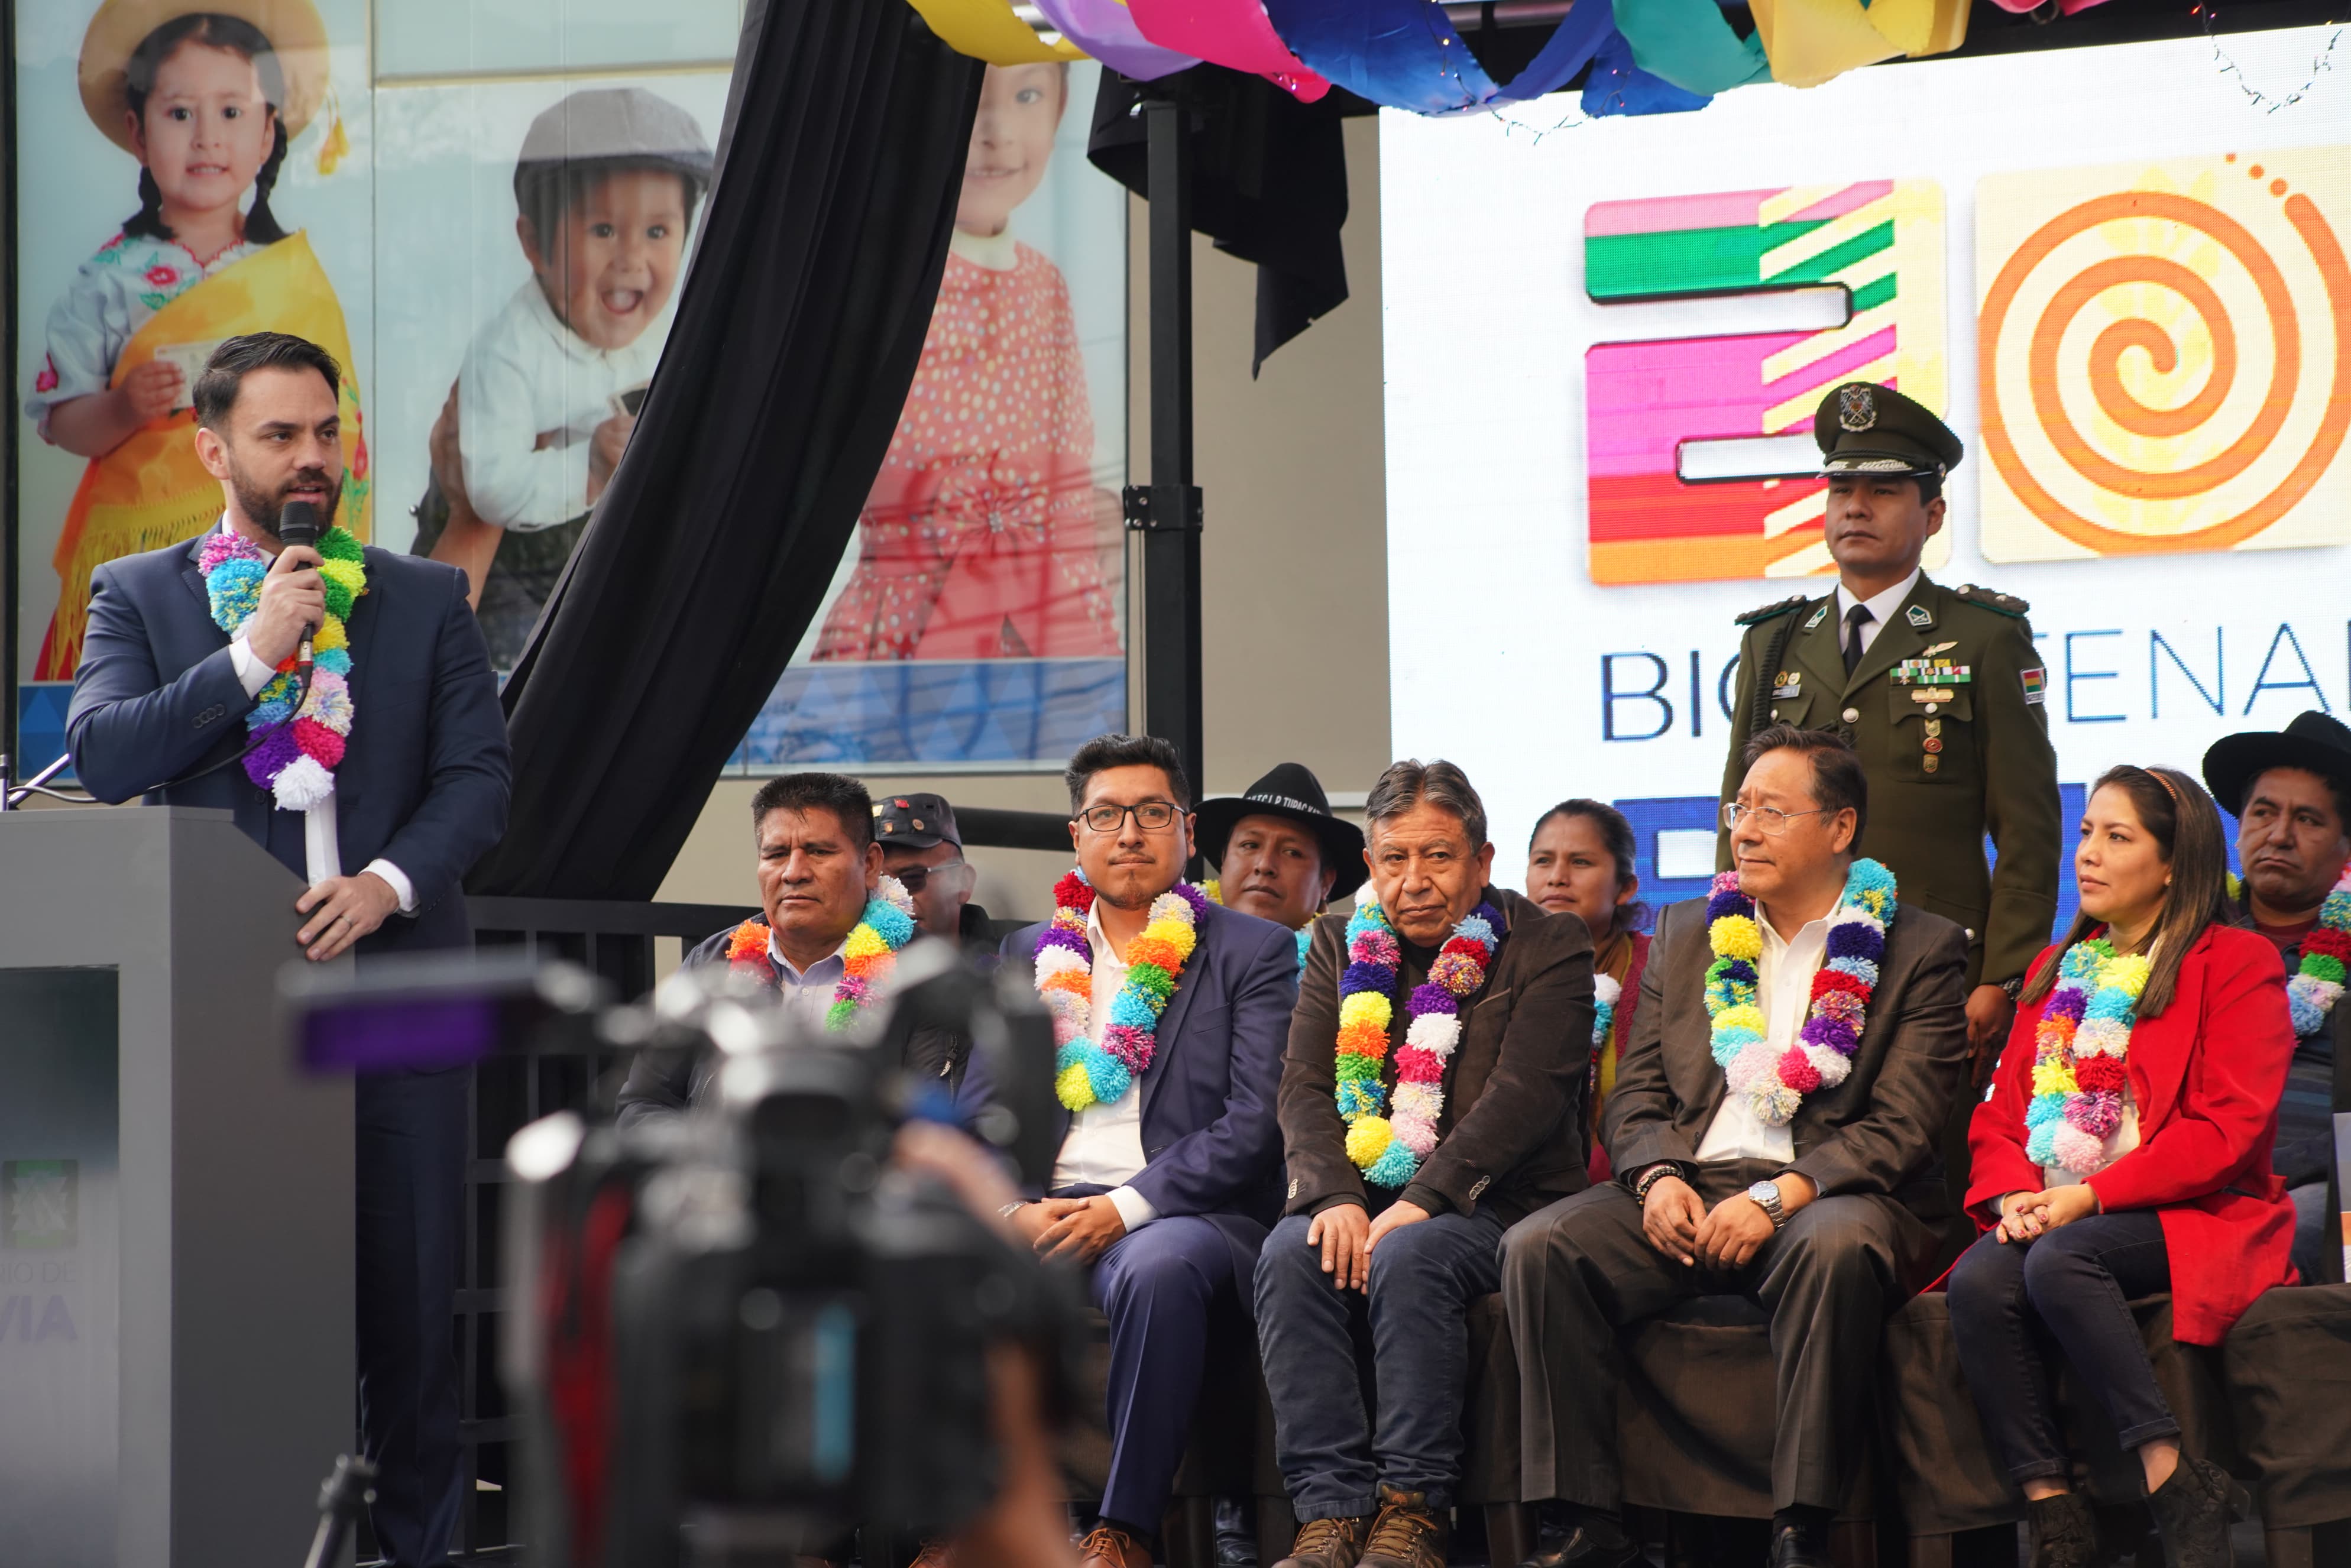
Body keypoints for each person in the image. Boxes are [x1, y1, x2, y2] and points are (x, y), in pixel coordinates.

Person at [66, 331, 509, 1568]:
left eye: (326, 432)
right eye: (279, 436)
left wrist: (385, 883)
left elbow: (479, 782)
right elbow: (105, 756)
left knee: (414, 1326)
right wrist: (253, 652)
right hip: (225, 1010)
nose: (312, 457)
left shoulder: (425, 597)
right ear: (214, 451)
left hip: (404, 999)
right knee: (242, 1310)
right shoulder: (139, 593)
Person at [1504, 725, 1967, 1568]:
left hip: (1828, 1192)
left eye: (1771, 813)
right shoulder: (1689, 931)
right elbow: (1637, 1094)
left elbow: (1903, 1123)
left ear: (1840, 827)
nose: (1744, 831)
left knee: (1833, 1248)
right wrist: (1655, 1178)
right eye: (1739, 809)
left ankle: (1800, 1525)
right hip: (1693, 1177)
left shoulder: (1920, 948)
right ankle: (1585, 1523)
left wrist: (1776, 1199)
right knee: (1541, 1245)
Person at [1717, 380, 2060, 1212]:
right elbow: (1740, 813)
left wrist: (2001, 978)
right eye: (1842, 488)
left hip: (1933, 969)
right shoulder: (1775, 642)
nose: (1855, 507)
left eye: (1883, 490)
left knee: (1924, 1190)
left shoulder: (1983, 637)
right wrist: (1732, 956)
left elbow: (2028, 829)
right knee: (1786, 1176)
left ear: (1933, 515)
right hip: (1791, 966)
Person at [958, 733, 1300, 1568]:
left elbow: (1254, 1122)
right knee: (936, 1262)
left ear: (1187, 831)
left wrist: (1123, 1209)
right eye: (1107, 815)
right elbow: (978, 1115)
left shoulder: (1252, 951)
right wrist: (1009, 1208)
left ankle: (1124, 1530)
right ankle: (960, 1528)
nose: (1131, 834)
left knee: (1156, 1270)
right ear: (1077, 835)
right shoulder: (1026, 955)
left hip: (1187, 1216)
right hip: (1042, 1207)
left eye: (1153, 813)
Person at [1949, 766, 2296, 1568]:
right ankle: (2055, 1513)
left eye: (2117, 837)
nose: (2088, 855)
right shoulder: (2056, 968)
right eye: (2085, 834)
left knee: (2064, 1261)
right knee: (1979, 1281)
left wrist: (2092, 1197)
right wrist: (2013, 1195)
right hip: (2055, 1203)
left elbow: (2228, 1129)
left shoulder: (2234, 962)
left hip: (2188, 1209)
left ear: (2173, 863)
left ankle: (2170, 1476)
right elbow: (1999, 1116)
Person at [1257, 760, 1593, 1568]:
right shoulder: (1338, 942)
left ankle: (1415, 1510)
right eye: (1395, 858)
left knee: (1412, 1252)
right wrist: (1332, 1197)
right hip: (1366, 1193)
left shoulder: (1549, 943)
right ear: (1369, 865)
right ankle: (1329, 1515)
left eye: (1438, 856)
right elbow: (1304, 1086)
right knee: (1289, 1251)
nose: (1414, 880)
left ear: (1482, 860)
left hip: (1501, 1201)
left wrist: (1427, 1197)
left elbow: (1525, 1097)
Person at [28, 0, 367, 679]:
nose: (208, 137)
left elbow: (341, 419)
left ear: (268, 133)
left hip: (276, 540)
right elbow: (63, 421)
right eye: (181, 113)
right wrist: (123, 408)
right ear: (138, 130)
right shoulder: (109, 278)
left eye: (232, 112)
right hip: (146, 548)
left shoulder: (293, 274)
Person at [811, 61, 1121, 662]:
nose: (996, 131)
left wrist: (1093, 506)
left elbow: (1068, 447)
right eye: (968, 98)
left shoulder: (1046, 285)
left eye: (1027, 94)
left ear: (1060, 107)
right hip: (910, 624)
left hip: (1049, 620)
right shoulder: (881, 286)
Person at [412, 85, 713, 668]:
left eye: (657, 232)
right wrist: (591, 468)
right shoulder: (507, 352)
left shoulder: (673, 336)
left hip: (608, 568)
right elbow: (491, 490)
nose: (631, 258)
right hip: (512, 576)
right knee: (528, 667)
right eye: (603, 230)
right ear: (534, 245)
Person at [613, 772, 970, 1123]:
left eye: (819, 851)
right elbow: (642, 1103)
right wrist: (702, 1153)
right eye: (776, 854)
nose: (794, 872)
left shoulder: (924, 974)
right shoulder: (712, 961)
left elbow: (934, 1129)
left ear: (870, 864)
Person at [2203, 711, 2351, 1284]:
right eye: (2263, 813)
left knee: (2296, 1233)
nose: (2279, 835)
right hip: (2192, 1175)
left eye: (2307, 819)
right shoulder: (2187, 941)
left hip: (2328, 1183)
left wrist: (2277, 1167)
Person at [1526, 799, 1650, 1181]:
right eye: (1543, 861)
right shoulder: (1496, 967)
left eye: (1580, 862)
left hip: (1634, 1183)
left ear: (1625, 887)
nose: (1557, 877)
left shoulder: (1658, 969)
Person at [1197, 760, 1370, 964]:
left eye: (1292, 852)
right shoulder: (1177, 948)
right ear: (1224, 860)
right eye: (1250, 845)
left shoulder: (1349, 971)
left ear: (1326, 881)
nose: (1264, 865)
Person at [874, 789, 1002, 952]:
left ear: (963, 882)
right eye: (875, 886)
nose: (890, 900)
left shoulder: (1018, 959)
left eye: (911, 879)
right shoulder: (845, 963)